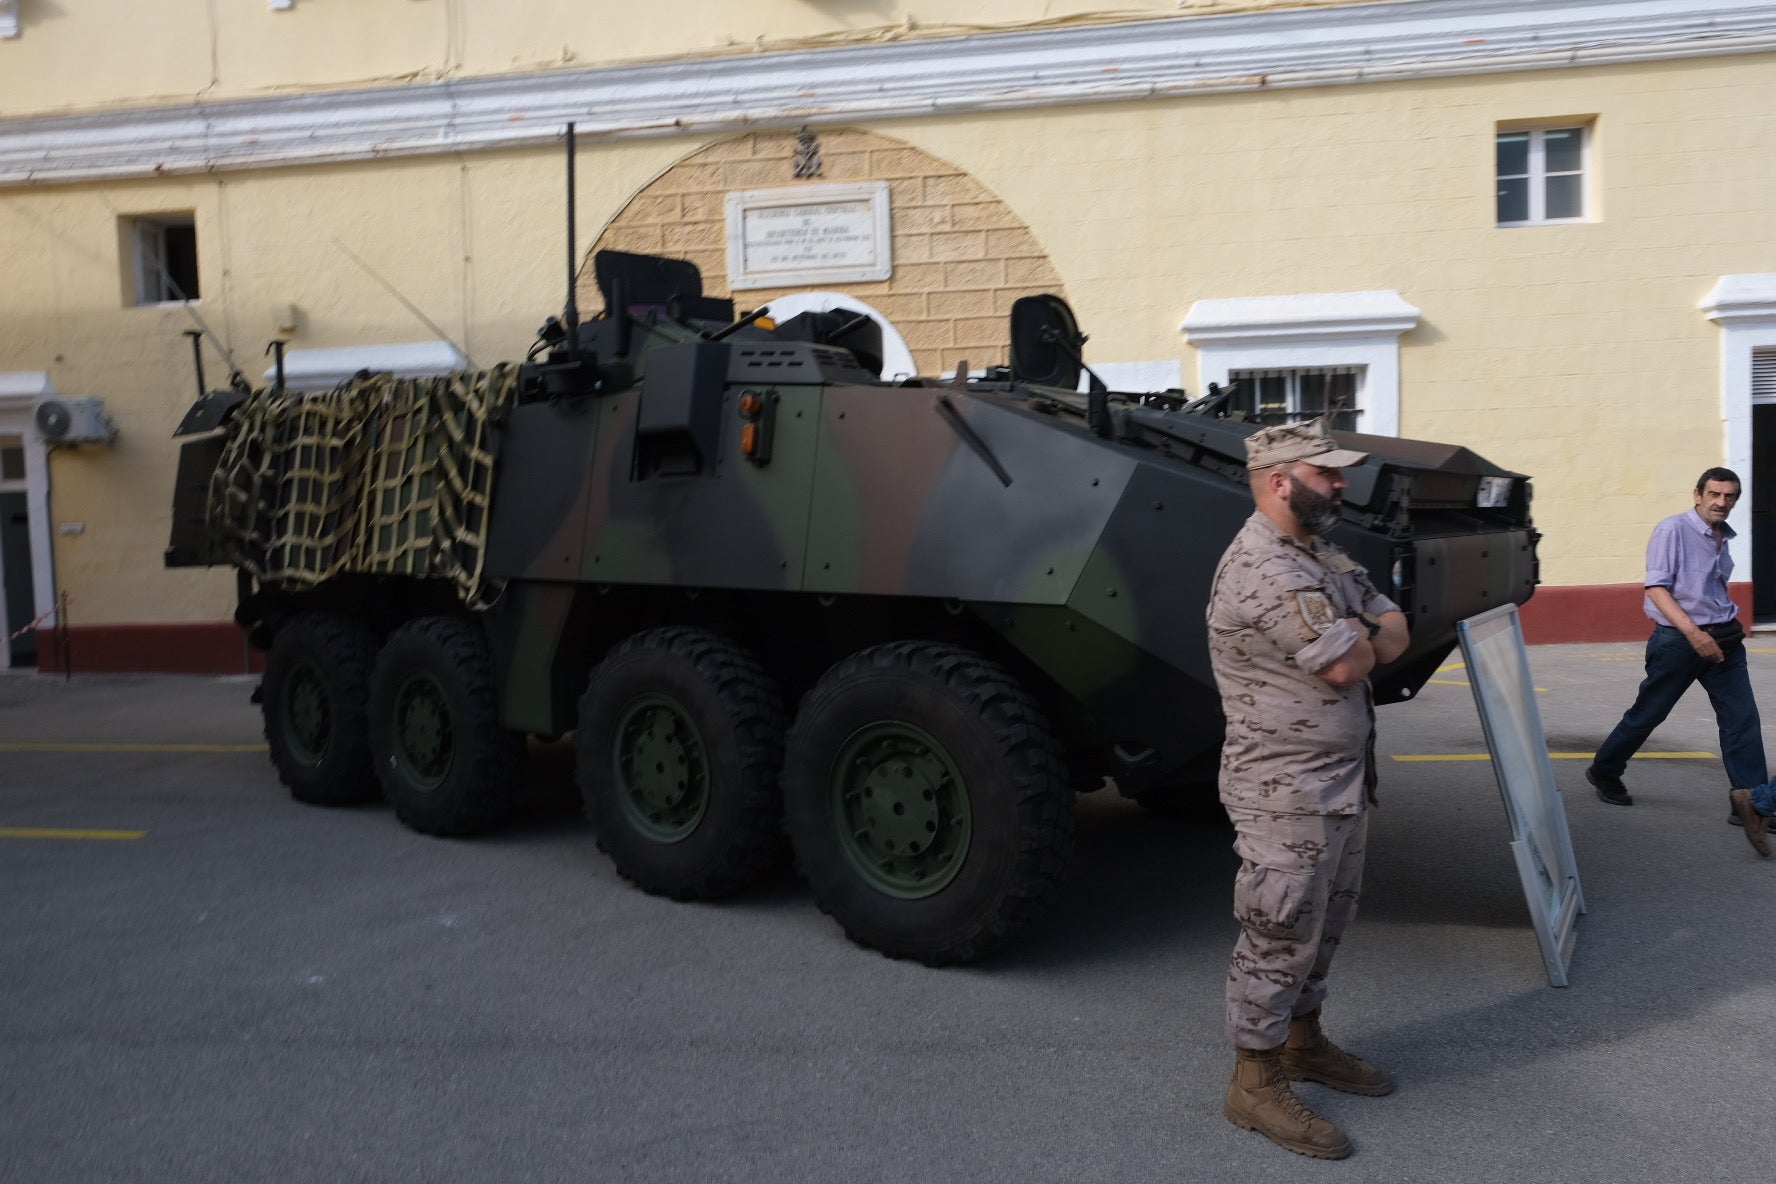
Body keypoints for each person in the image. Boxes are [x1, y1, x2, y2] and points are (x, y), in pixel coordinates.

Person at [1206, 416, 1410, 1160]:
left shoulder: (1316, 551)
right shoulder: (1266, 567)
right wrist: (1364, 632)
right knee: (1280, 929)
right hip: (1284, 788)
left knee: (1327, 922)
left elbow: (1393, 624)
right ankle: (1253, 1082)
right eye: (1326, 472)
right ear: (1280, 480)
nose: (1341, 482)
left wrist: (1365, 628)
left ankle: (1302, 1042)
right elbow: (1348, 664)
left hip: (1337, 781)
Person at [1586, 468, 1770, 857]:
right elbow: (1656, 587)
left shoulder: (1723, 536)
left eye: (1730, 496)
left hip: (1723, 638)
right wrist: (1694, 634)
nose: (1722, 502)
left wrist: (1719, 628)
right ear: (1698, 494)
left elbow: (1710, 588)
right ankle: (1605, 769)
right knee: (1649, 713)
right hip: (1679, 640)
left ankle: (1753, 803)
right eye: (1715, 494)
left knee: (1742, 718)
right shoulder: (1672, 530)